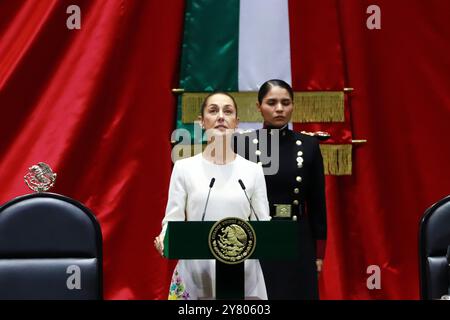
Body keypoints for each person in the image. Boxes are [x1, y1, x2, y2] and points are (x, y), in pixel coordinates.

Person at [154, 92, 271, 300]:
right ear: (201, 122)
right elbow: (172, 220)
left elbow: (264, 225)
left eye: (228, 111)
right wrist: (165, 239)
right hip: (196, 273)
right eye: (213, 110)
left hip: (243, 275)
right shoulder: (184, 168)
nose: (220, 117)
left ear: (236, 123)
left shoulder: (253, 171)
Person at [234, 79, 327, 300]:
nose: (279, 109)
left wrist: (319, 252)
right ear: (259, 106)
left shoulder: (308, 145)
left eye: (286, 102)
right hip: (257, 236)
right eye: (272, 102)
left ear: (293, 105)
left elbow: (317, 203)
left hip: (297, 236)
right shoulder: (242, 145)